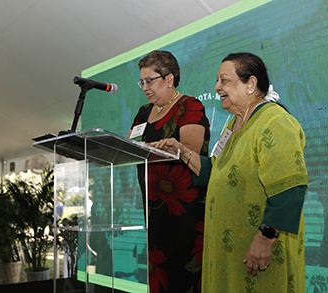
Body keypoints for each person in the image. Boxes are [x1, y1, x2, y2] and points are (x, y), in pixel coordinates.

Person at [150, 52, 308, 292]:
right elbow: (217, 170)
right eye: (217, 80)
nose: (216, 87)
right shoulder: (232, 124)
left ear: (250, 84)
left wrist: (265, 238)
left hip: (257, 250)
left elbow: (289, 186)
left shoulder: (275, 122)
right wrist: (181, 151)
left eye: (224, 80)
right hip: (228, 251)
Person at [127, 50, 210, 292]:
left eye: (150, 80)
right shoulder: (144, 112)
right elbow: (129, 147)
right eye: (142, 82)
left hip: (185, 209)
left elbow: (191, 150)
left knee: (183, 275)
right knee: (160, 275)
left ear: (170, 78)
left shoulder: (190, 106)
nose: (145, 87)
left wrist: (153, 148)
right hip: (154, 210)